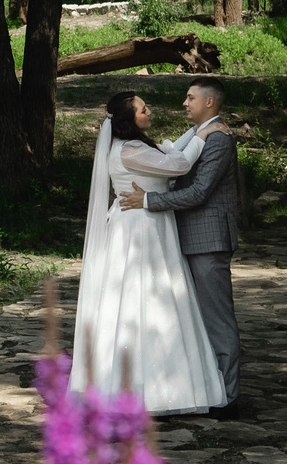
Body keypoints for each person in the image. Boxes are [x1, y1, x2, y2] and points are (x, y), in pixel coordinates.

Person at [74, 90, 227, 416]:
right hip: (140, 231)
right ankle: (139, 389)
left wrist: (198, 131)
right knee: (138, 301)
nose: (149, 110)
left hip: (151, 226)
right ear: (131, 120)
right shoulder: (129, 151)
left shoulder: (136, 147)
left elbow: (169, 149)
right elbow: (179, 163)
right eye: (144, 109)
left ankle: (158, 384)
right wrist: (207, 132)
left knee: (158, 301)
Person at [116, 77, 241, 407]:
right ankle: (205, 388)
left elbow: (199, 192)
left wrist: (149, 200)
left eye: (190, 98)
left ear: (209, 103)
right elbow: (174, 158)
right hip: (186, 238)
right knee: (193, 320)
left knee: (216, 318)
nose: (184, 103)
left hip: (207, 240)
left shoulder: (219, 140)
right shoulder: (204, 135)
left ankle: (226, 397)